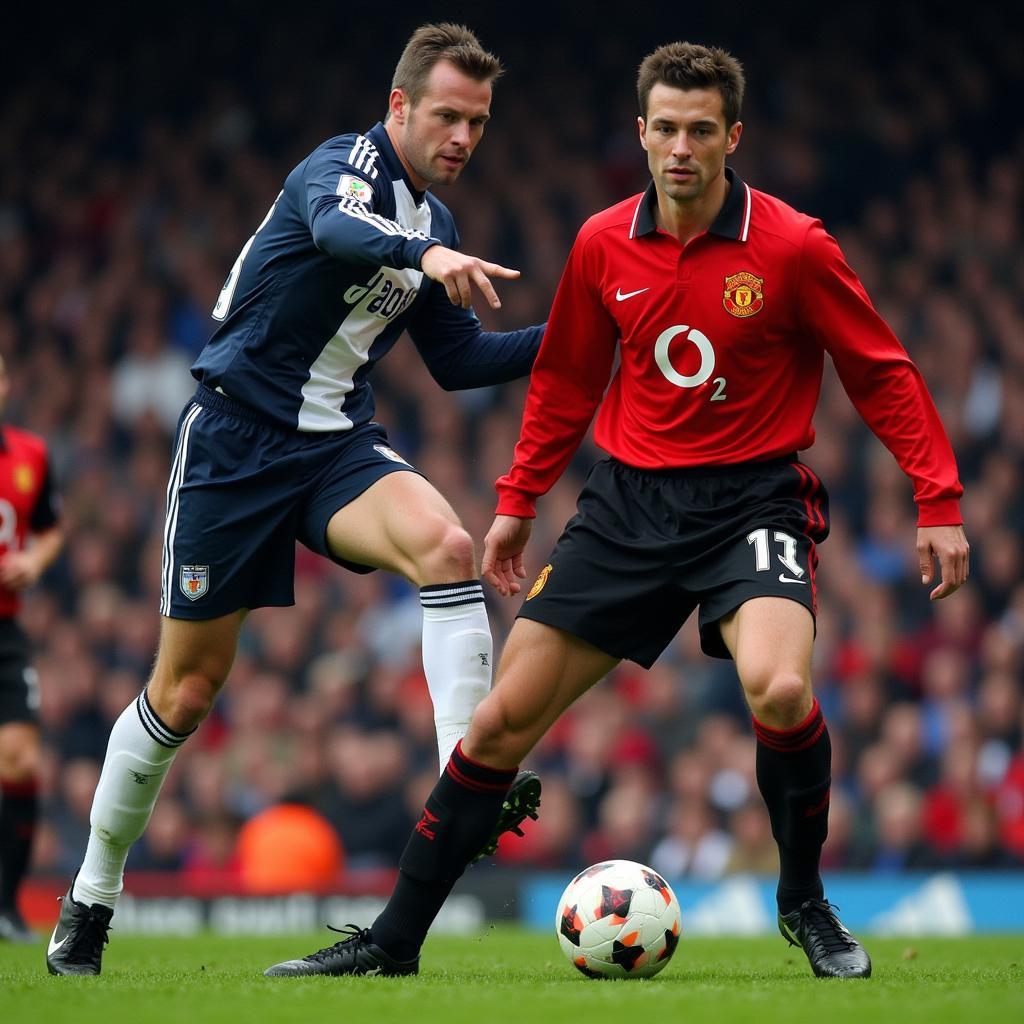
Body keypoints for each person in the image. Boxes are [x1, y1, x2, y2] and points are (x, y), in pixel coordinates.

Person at [263, 41, 969, 981]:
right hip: (626, 506)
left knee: (782, 690)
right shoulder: (602, 242)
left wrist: (939, 499)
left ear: (732, 137)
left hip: (752, 496)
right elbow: (563, 384)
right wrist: (516, 502)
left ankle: (802, 901)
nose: (682, 148)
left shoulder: (794, 246)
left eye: (702, 131)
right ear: (641, 133)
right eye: (666, 129)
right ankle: (392, 940)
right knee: (500, 725)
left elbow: (880, 371)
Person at [46, 23, 543, 976]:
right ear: (399, 106)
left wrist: (575, 338)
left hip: (334, 449)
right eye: (447, 114)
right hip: (232, 444)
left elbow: (459, 360)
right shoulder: (340, 169)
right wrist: (425, 258)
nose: (463, 136)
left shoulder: (431, 227)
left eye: (477, 121)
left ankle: (466, 782)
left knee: (447, 546)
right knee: (185, 692)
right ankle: (92, 894)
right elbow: (337, 233)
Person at [0, 354, 64, 943]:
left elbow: (50, 527)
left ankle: (7, 905)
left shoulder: (30, 455)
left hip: (5, 630)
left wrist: (34, 561)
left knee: (20, 761)